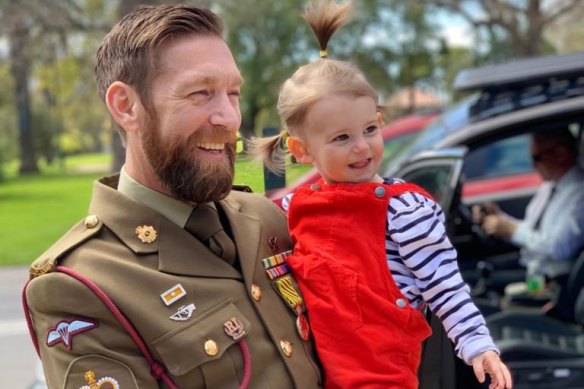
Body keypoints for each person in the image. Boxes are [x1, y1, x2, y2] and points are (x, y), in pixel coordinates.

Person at [22, 5, 322, 389]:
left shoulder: (265, 218)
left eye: (233, 93)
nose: (229, 118)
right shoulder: (80, 286)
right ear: (126, 106)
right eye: (201, 94)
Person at [250, 1, 513, 388]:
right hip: (312, 372)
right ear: (302, 150)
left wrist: (476, 344)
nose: (362, 147)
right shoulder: (292, 209)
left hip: (382, 376)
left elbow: (444, 284)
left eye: (369, 130)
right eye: (342, 138)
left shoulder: (405, 211)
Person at [472, 129, 584, 280]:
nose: (533, 165)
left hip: (551, 277)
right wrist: (501, 220)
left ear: (561, 153)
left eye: (537, 157)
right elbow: (531, 230)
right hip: (532, 266)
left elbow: (559, 248)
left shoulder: (579, 193)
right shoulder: (549, 186)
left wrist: (511, 230)